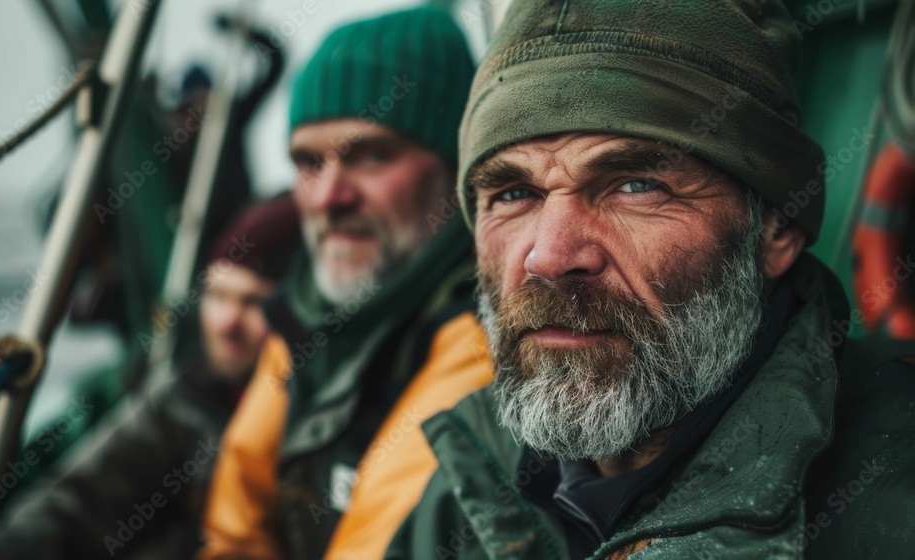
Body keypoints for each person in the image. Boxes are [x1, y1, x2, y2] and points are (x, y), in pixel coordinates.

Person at [387, 0, 915, 558]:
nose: (550, 256)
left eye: (635, 186)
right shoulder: (468, 483)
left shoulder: (892, 498)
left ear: (775, 231)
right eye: (514, 195)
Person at [197, 7, 492, 560]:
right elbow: (234, 534)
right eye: (309, 163)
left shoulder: (482, 346)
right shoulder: (302, 315)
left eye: (373, 155)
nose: (330, 196)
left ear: (456, 165)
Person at [0, 194, 301, 560]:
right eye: (217, 296)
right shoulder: (183, 397)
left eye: (253, 302)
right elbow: (76, 501)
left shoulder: (309, 416)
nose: (225, 322)